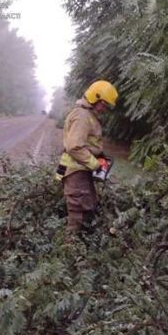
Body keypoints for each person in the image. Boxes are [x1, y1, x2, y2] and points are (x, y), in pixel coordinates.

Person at [55, 80, 118, 241]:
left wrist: (99, 155)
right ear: (95, 98)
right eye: (104, 104)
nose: (104, 109)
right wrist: (95, 164)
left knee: (89, 206)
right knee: (78, 213)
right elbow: (74, 147)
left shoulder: (87, 115)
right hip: (76, 171)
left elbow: (87, 144)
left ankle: (83, 245)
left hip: (81, 170)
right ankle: (70, 249)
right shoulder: (82, 117)